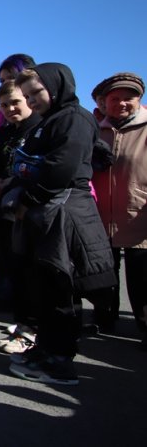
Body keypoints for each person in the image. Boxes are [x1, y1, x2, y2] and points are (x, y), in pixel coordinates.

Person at [7, 63, 116, 385]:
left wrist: (26, 200)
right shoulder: (51, 120)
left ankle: (60, 361)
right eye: (27, 95)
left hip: (63, 212)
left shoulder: (74, 117)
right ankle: (46, 348)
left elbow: (62, 168)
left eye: (36, 93)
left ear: (57, 86)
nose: (32, 100)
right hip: (46, 213)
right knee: (45, 289)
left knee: (60, 289)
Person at [0, 80, 41, 353]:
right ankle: (22, 325)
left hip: (28, 209)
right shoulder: (6, 132)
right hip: (2, 210)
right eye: (4, 105)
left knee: (30, 274)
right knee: (11, 269)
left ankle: (32, 330)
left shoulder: (40, 128)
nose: (9, 109)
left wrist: (10, 183)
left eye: (15, 102)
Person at [91, 73, 147, 349]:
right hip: (100, 213)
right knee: (104, 269)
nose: (122, 103)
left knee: (141, 277)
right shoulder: (96, 129)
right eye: (116, 98)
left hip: (138, 213)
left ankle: (144, 325)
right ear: (105, 102)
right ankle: (104, 316)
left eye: (129, 98)